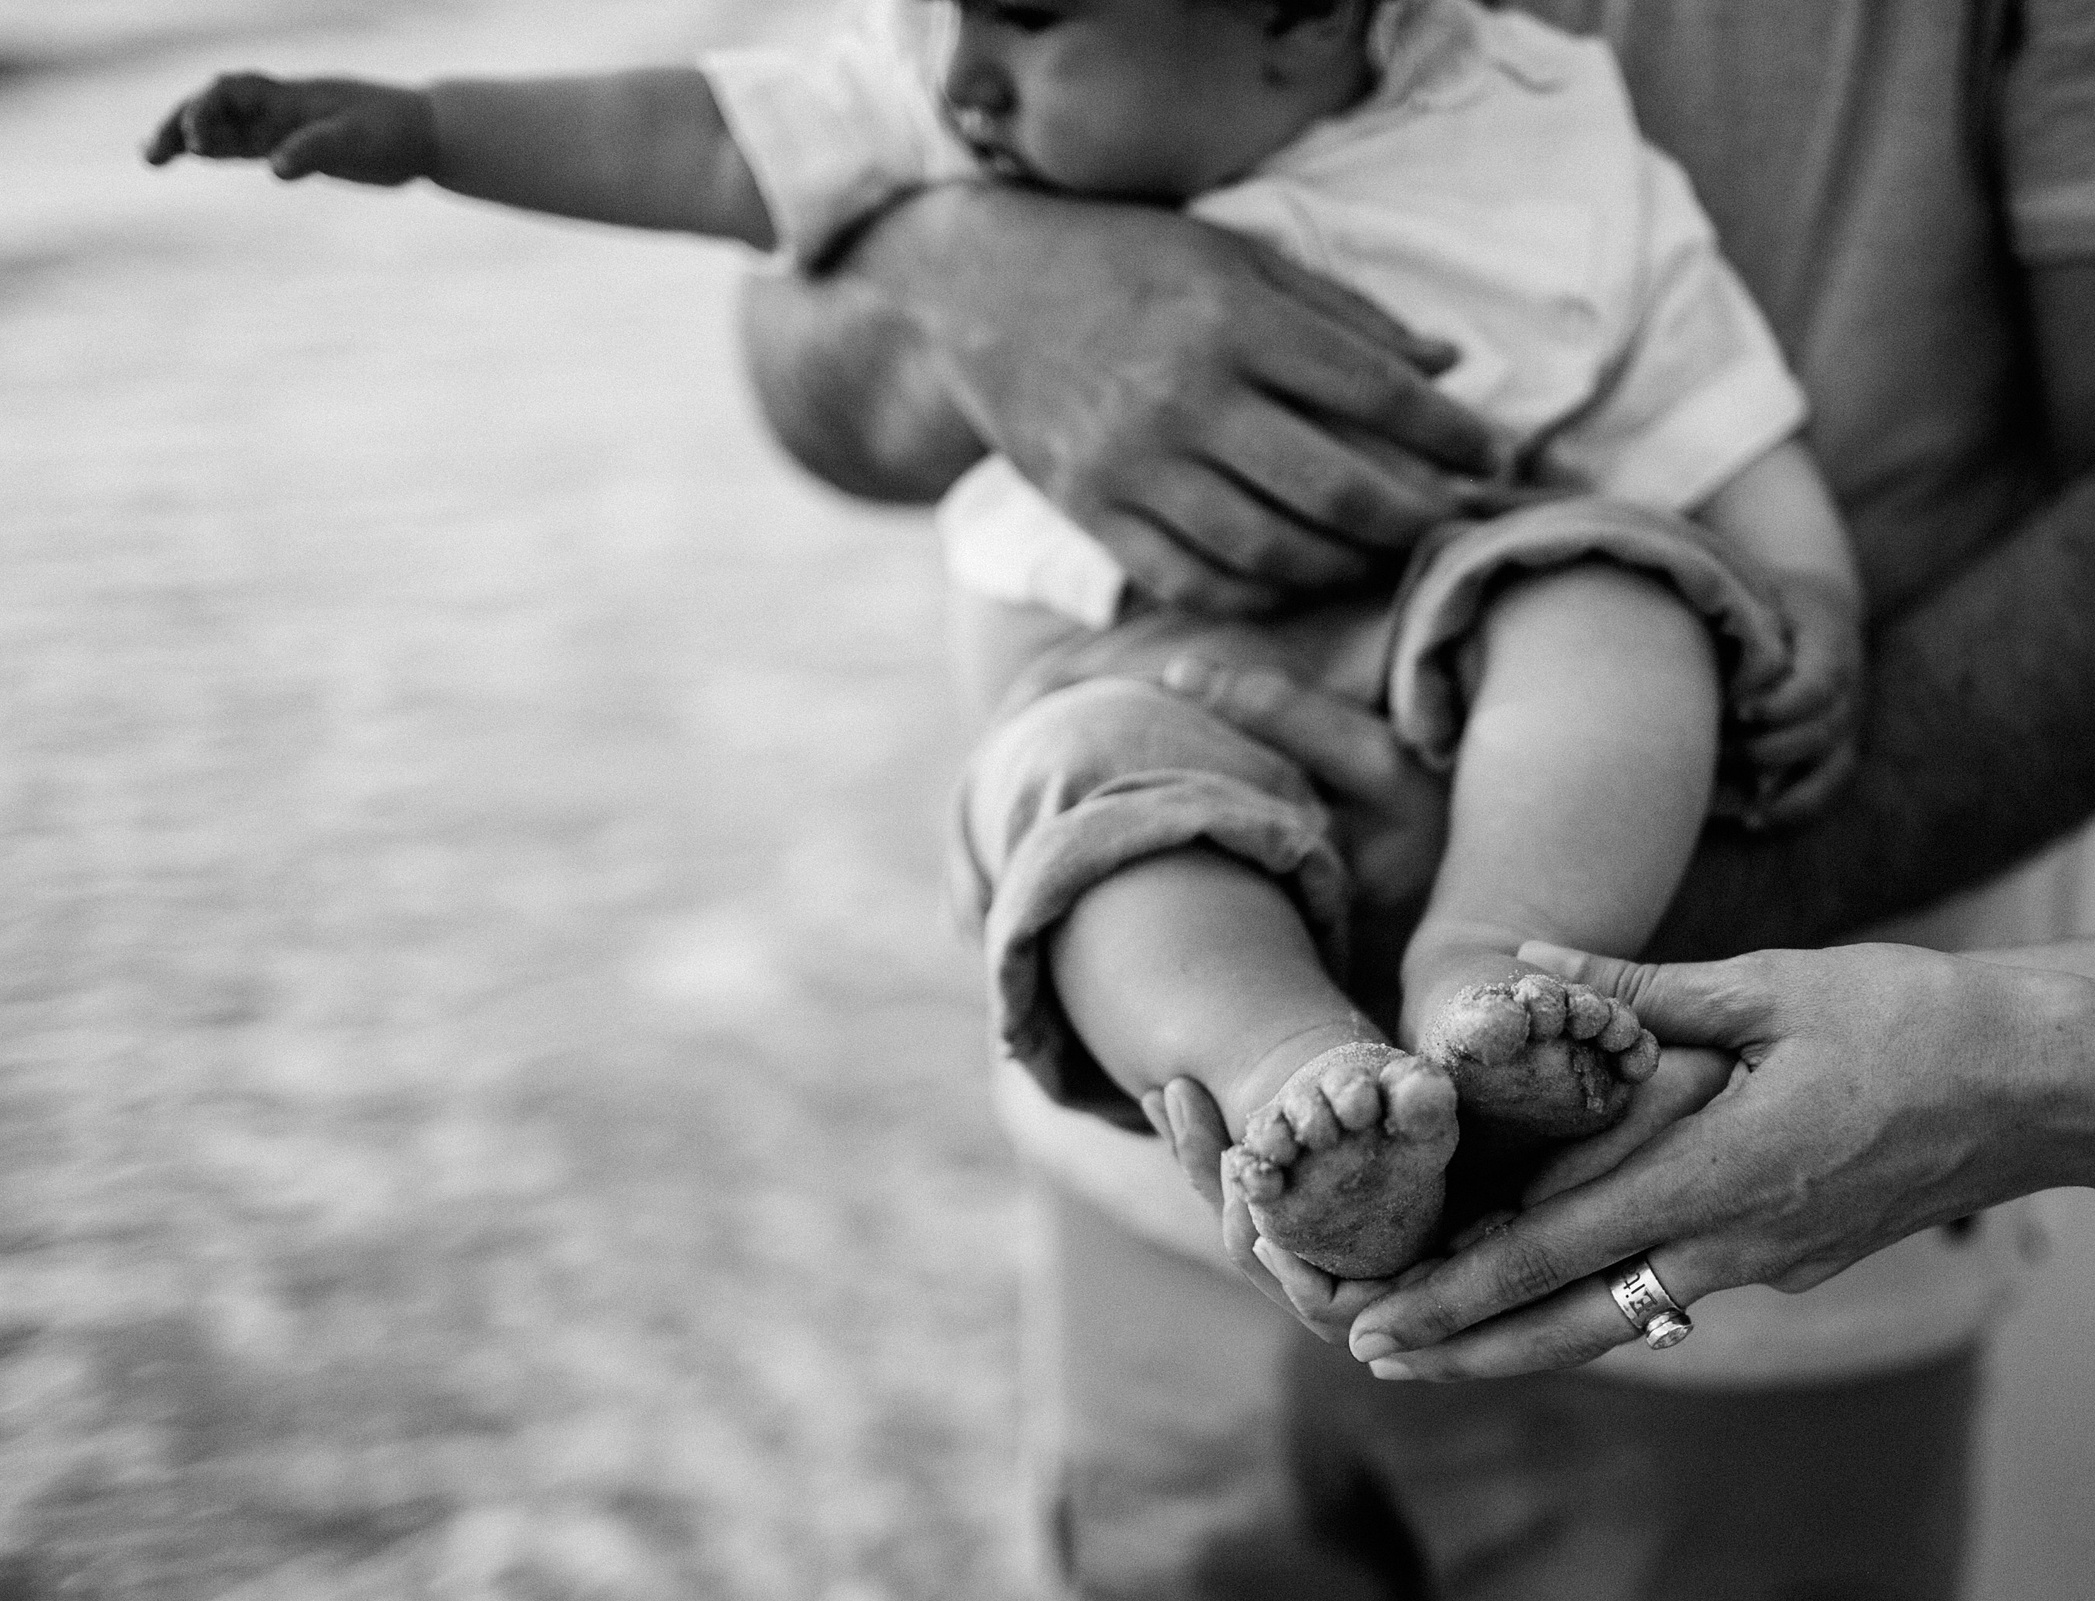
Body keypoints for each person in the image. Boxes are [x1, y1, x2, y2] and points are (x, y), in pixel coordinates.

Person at [741, 0, 2095, 1601]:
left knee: (1603, 590)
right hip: (1154, 1171)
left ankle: (1463, 984)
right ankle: (1307, 1041)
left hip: (1747, 1187)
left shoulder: (1558, 150)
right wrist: (974, 285)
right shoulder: (962, 73)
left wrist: (1580, 920)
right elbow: (790, 318)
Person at [144, 0, 1867, 1282]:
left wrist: (1811, 591)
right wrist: (423, 124)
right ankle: (1300, 1085)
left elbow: (1698, 381)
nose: (959, 70)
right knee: (1097, 822)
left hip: (1455, 634)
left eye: (1031, 27)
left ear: (1300, 21)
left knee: (1621, 592)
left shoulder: (1541, 121)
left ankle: (1496, 966)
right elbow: (695, 138)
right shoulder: (942, 109)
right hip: (1131, 680)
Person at [1303, 0, 2095, 1386]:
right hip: (1181, 1076)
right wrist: (1024, 262)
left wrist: (1994, 1066)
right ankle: (1269, 1052)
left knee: (1604, 600)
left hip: (1728, 1222)